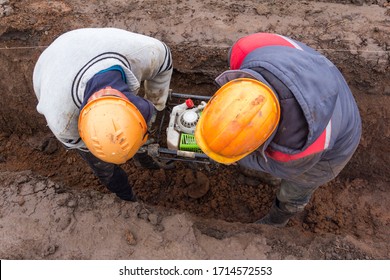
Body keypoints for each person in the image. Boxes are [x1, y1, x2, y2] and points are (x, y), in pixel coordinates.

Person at [195, 33, 361, 227]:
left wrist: (237, 157)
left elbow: (277, 166)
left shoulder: (297, 150)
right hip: (313, 74)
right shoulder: (246, 49)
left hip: (334, 145)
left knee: (293, 191)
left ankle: (277, 220)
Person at [33, 28, 173, 202]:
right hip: (50, 66)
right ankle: (126, 197)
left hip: (87, 42)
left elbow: (165, 66)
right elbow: (89, 143)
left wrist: (157, 103)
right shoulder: (63, 122)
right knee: (105, 169)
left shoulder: (148, 53)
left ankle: (140, 155)